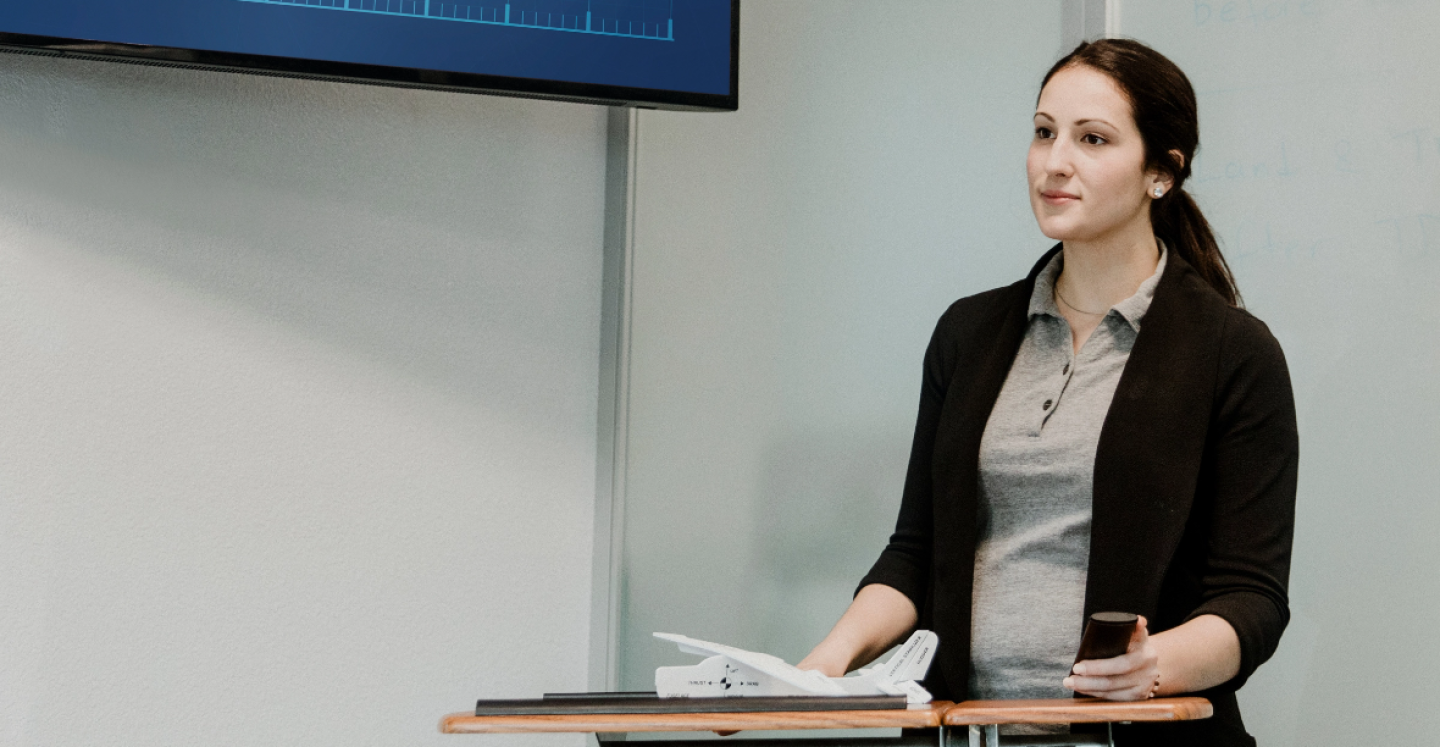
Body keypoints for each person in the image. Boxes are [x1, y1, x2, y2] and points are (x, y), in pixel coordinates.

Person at [797, 39, 1297, 746]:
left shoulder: (1233, 353)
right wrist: (823, 663)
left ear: (1162, 172)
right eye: (1043, 132)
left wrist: (1154, 664)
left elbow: (1252, 599)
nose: (1054, 162)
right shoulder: (967, 333)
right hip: (963, 732)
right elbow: (916, 552)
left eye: (1092, 139)